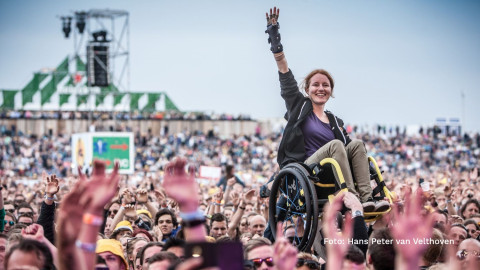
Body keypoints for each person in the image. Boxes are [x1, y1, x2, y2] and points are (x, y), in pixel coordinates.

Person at [264, 7, 388, 212]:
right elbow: (284, 71)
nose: (320, 88)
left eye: (325, 85)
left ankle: (367, 199)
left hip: (335, 170)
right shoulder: (299, 105)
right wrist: (275, 38)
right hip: (309, 169)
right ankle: (351, 196)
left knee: (356, 144)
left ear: (330, 91)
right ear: (307, 88)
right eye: (316, 84)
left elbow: (349, 150)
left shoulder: (335, 121)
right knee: (335, 145)